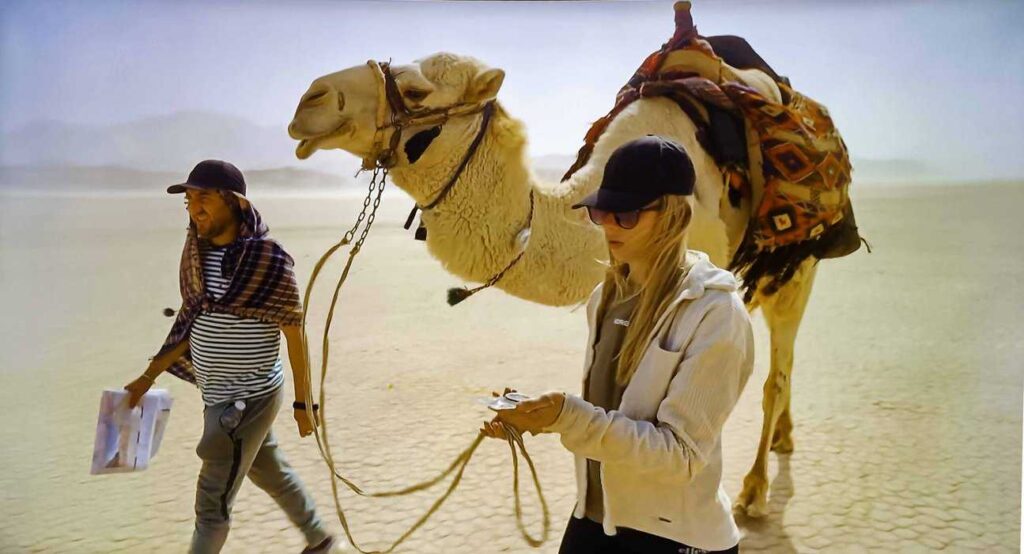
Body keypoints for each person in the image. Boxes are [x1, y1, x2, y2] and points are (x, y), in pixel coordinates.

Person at [482, 136, 754, 553]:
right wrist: (538, 417)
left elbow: (680, 456)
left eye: (624, 214)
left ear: (673, 215)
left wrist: (568, 417)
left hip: (675, 537)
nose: (607, 225)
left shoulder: (717, 313)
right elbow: (608, 416)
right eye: (600, 210)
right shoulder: (605, 297)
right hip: (595, 520)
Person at [123, 160, 337, 554]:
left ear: (235, 203)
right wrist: (147, 377)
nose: (194, 208)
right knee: (266, 466)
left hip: (246, 399)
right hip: (217, 395)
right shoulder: (196, 255)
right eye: (188, 200)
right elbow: (192, 320)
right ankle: (319, 538)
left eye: (204, 197)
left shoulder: (269, 261)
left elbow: (294, 333)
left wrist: (304, 403)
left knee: (211, 505)